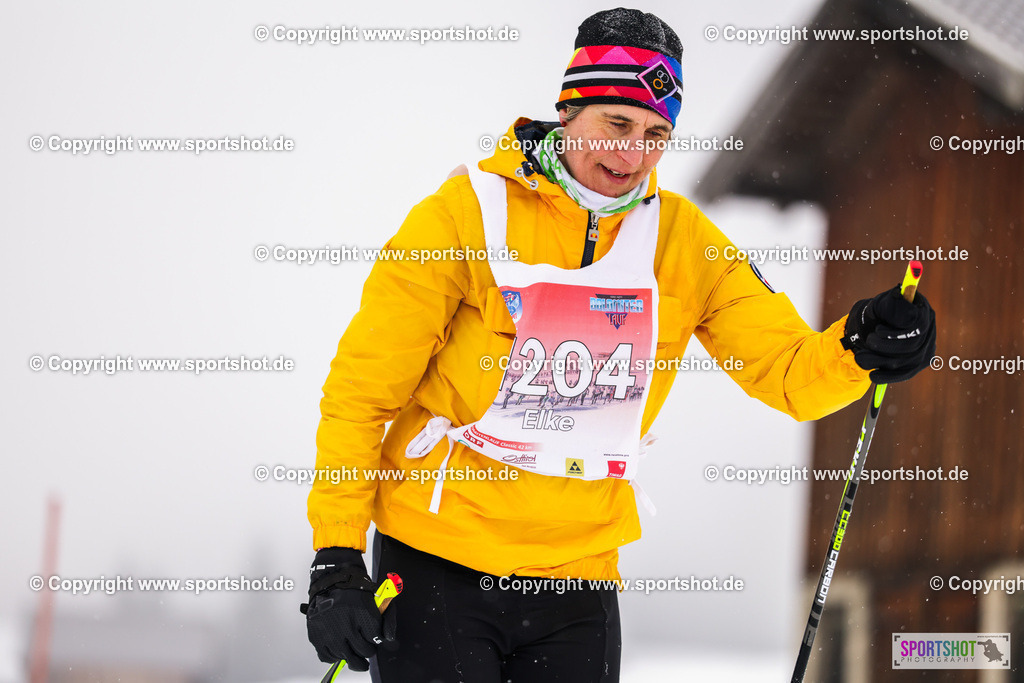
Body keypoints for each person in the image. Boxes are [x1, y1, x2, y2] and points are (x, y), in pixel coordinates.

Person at [302, 8, 936, 682]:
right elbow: (361, 394)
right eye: (619, 123)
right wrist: (336, 556)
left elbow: (787, 374)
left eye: (658, 134)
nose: (634, 154)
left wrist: (864, 347)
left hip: (577, 581)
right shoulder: (465, 215)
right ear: (570, 107)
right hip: (437, 564)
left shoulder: (683, 244)